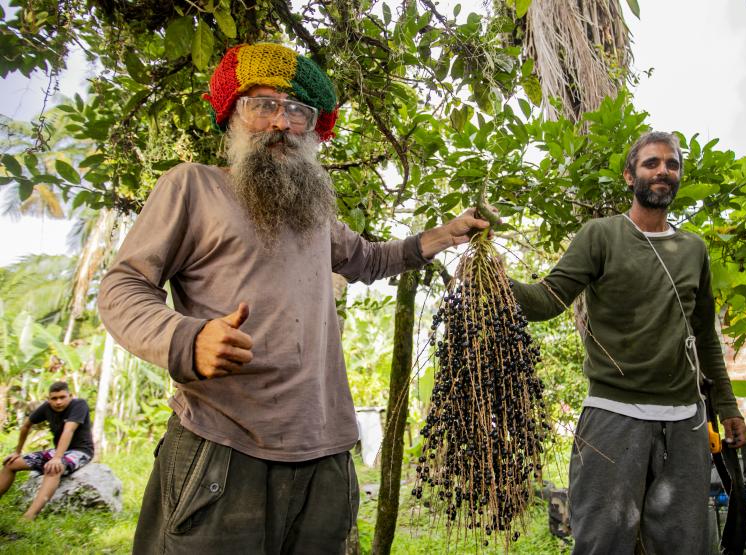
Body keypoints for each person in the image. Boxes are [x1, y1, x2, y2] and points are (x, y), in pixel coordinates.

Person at [97, 42, 490, 554]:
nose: (280, 122)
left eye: (297, 110)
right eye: (262, 105)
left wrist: (440, 237)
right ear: (233, 116)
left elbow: (368, 259)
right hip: (223, 446)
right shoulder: (192, 187)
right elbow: (122, 286)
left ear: (312, 127)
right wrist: (185, 338)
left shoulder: (313, 211)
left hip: (325, 454)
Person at [509, 131, 746, 553]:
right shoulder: (601, 235)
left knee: (686, 545)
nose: (663, 171)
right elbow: (548, 299)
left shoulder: (693, 248)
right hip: (613, 414)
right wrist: (492, 281)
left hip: (684, 420)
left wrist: (726, 405)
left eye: (671, 164)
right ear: (628, 175)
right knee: (603, 542)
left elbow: (705, 334)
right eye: (651, 163)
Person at [0, 381, 95, 520]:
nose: (58, 402)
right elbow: (26, 426)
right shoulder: (46, 407)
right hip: (58, 451)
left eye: (62, 397)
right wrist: (17, 452)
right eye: (54, 398)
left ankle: (28, 517)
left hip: (80, 451)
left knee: (54, 468)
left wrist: (57, 458)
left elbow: (69, 430)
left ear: (70, 396)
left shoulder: (79, 405)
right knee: (11, 464)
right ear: (48, 399)